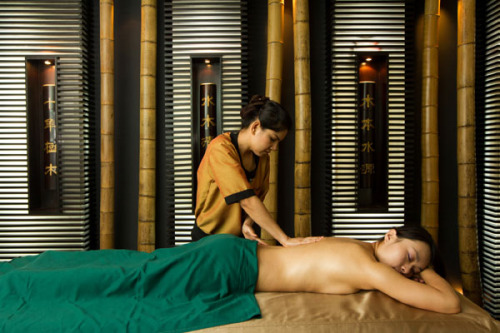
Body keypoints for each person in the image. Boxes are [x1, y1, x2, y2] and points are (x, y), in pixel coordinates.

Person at [0, 226, 460, 332]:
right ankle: (24, 288)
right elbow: (450, 305)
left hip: (234, 256)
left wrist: (420, 266)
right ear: (391, 235)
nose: (407, 270)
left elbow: (296, 248)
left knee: (132, 273)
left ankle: (30, 283)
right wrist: (434, 274)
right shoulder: (369, 265)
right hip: (231, 265)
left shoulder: (357, 247)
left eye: (414, 269)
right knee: (131, 279)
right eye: (410, 256)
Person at [192, 94, 322, 246]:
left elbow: (258, 196)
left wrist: (247, 223)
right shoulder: (220, 149)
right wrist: (285, 240)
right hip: (208, 238)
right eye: (272, 139)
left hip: (237, 239)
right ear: (255, 127)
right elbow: (247, 200)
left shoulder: (262, 158)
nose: (274, 148)